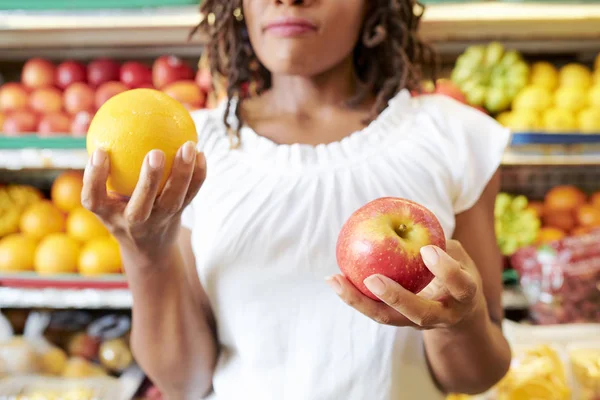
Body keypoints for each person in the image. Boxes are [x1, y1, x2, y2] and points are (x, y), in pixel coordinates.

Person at [82, 0, 512, 399]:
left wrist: (460, 319)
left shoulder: (454, 137)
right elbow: (186, 381)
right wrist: (147, 252)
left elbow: (476, 377)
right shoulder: (191, 151)